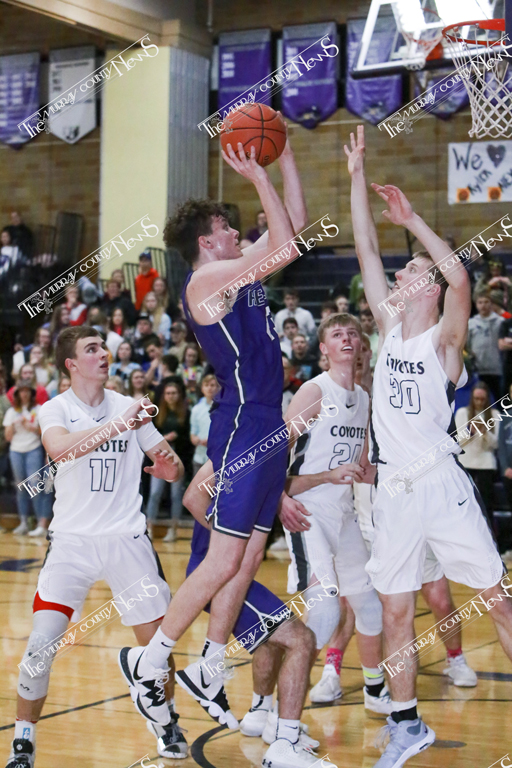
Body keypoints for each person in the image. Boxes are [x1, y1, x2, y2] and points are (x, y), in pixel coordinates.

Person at [118, 134, 321, 768]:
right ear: (208, 242)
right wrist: (257, 176)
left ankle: (208, 665)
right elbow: (283, 242)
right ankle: (151, 658)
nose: (237, 232)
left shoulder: (239, 272)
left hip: (266, 421)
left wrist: (284, 158)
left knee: (251, 551)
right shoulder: (209, 280)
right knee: (227, 554)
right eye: (227, 228)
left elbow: (295, 231)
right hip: (242, 421)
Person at [346, 124, 511, 768]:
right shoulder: (388, 326)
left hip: (440, 482)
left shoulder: (444, 340)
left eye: (412, 269)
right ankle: (407, 724)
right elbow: (364, 245)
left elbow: (459, 276)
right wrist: (357, 175)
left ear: (430, 288)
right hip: (393, 489)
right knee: (396, 613)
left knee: (496, 600)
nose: (399, 272)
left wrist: (413, 222)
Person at [4, 325, 187, 768]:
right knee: (39, 649)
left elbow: (172, 465)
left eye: (104, 346)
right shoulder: (56, 408)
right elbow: (60, 450)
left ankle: (165, 720)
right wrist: (120, 425)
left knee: (158, 651)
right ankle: (23, 740)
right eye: (92, 349)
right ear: (71, 364)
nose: (103, 353)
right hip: (71, 543)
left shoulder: (128, 406)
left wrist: (169, 467)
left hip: (126, 540)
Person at [283, 314, 391, 716]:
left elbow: (363, 468)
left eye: (352, 334)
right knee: (326, 610)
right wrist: (278, 499)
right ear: (324, 348)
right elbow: (273, 452)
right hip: (306, 510)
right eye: (336, 334)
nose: (346, 338)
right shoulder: (314, 391)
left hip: (343, 514)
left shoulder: (363, 398)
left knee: (370, 608)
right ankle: (281, 713)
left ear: (361, 345)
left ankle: (374, 690)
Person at [181, 460, 322, 754]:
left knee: (271, 639)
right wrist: (227, 540)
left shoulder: (265, 455)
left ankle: (259, 715)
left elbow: (280, 487)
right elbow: (193, 497)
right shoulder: (237, 451)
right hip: (217, 573)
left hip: (230, 573)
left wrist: (328, 477)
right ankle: (285, 739)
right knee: (301, 640)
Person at [3, 377, 50, 536]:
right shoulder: (12, 412)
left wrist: (31, 427)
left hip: (33, 449)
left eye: (27, 391)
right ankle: (23, 522)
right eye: (21, 391)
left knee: (34, 485)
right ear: (17, 394)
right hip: (16, 450)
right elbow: (8, 437)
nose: (24, 394)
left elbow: (44, 432)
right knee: (20, 487)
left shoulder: (39, 409)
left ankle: (40, 524)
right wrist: (13, 426)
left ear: (32, 393)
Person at [146, 380, 192, 542]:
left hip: (178, 458)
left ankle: (173, 528)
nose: (171, 396)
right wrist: (164, 438)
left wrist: (177, 437)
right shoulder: (158, 413)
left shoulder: (186, 413)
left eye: (173, 393)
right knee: (155, 493)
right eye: (168, 393)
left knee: (175, 495)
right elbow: (151, 436)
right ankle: (149, 527)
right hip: (160, 459)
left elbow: (189, 438)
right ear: (164, 396)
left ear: (179, 395)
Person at [455, 382, 500, 533]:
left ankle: (489, 535)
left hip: (486, 463)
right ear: (472, 398)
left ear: (487, 399)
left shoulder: (494, 414)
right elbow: (458, 442)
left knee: (486, 504)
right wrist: (471, 432)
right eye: (476, 399)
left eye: (482, 399)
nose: (479, 402)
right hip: (466, 462)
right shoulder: (462, 413)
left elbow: (496, 444)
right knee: (464, 502)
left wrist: (485, 432)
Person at [466, 288, 503, 400]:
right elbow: (466, 345)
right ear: (476, 304)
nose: (483, 305)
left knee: (499, 399)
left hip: (497, 368)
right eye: (480, 302)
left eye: (486, 302)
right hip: (478, 368)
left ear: (491, 304)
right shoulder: (471, 323)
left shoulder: (500, 322)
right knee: (480, 399)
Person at [190, 374, 220, 476]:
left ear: (218, 388)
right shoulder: (196, 409)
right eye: (206, 385)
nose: (209, 388)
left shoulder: (224, 409)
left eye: (213, 385)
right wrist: (195, 439)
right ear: (202, 388)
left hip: (217, 458)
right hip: (199, 456)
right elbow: (193, 432)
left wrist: (211, 440)